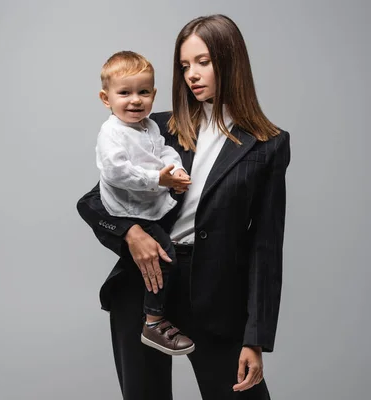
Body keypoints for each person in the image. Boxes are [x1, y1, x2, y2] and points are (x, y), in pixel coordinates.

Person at [77, 14, 290, 400]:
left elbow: (265, 246)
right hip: (145, 284)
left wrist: (256, 338)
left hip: (215, 296)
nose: (192, 74)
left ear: (231, 60)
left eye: (203, 62)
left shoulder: (267, 145)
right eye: (184, 65)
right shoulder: (156, 128)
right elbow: (94, 201)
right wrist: (131, 233)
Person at [96, 50, 194, 356]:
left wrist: (175, 168)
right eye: (124, 93)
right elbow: (116, 172)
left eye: (143, 92)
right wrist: (158, 180)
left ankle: (155, 317)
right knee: (165, 259)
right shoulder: (112, 132)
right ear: (106, 98)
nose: (135, 100)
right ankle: (153, 321)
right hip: (129, 211)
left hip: (151, 206)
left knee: (164, 257)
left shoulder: (149, 125)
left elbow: (163, 150)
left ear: (153, 94)